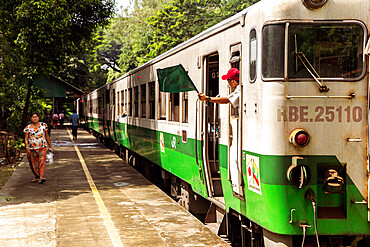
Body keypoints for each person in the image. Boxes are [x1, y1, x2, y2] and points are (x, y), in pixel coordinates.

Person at [24, 112, 53, 184]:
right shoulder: (28, 127)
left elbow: (47, 136)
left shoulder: (43, 125)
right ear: (31, 119)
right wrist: (27, 146)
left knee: (42, 161)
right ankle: (36, 176)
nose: (35, 118)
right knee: (34, 163)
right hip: (32, 148)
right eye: (33, 117)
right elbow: (26, 138)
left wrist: (50, 146)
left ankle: (41, 177)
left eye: (36, 117)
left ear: (38, 118)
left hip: (42, 146)